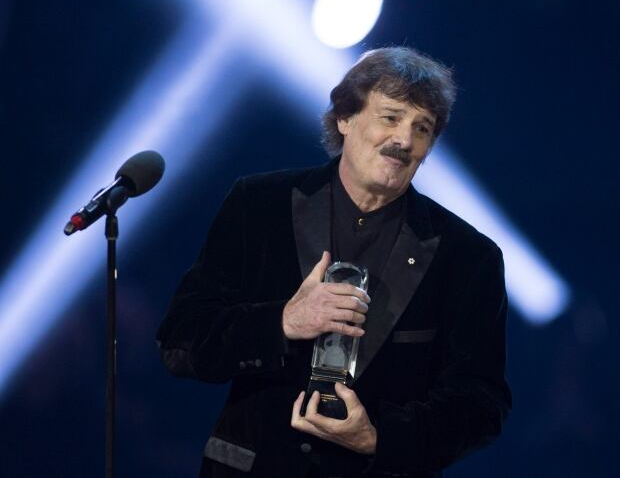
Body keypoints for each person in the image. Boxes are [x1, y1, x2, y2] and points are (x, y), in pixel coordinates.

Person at [157, 46, 512, 478]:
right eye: (390, 117)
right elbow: (181, 343)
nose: (404, 139)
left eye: (423, 128)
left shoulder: (468, 257)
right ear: (345, 118)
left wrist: (380, 438)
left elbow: (481, 402)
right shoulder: (258, 206)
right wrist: (283, 321)